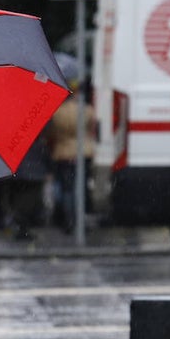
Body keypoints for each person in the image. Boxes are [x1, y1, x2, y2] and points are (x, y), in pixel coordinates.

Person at [48, 78, 96, 233]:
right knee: (80, 188)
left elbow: (52, 133)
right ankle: (79, 220)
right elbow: (92, 129)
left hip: (63, 153)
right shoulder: (87, 110)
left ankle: (68, 220)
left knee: (67, 189)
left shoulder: (58, 112)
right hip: (83, 152)